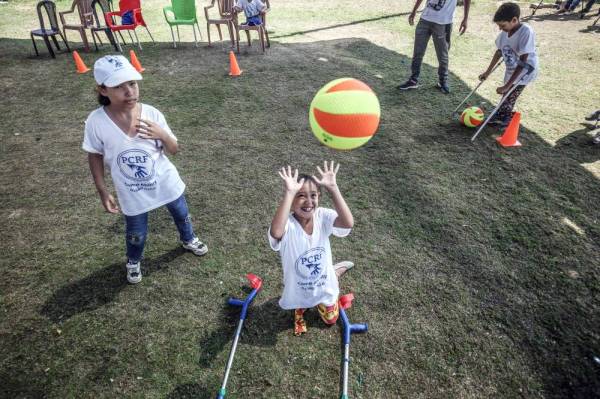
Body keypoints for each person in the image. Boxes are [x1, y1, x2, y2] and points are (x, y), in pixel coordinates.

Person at [82, 55, 208, 284]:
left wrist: (162, 134)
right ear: (102, 90)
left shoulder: (152, 113)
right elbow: (94, 155)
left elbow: (174, 149)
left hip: (166, 182)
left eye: (132, 83)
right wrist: (102, 190)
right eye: (119, 86)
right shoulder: (96, 122)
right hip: (132, 191)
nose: (129, 91)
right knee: (136, 233)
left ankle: (188, 238)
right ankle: (133, 260)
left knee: (182, 214)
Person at [268, 162, 354, 336]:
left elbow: (347, 222)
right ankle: (302, 307)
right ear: (291, 203)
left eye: (313, 195)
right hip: (298, 287)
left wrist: (333, 188)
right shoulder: (288, 225)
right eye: (300, 196)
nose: (308, 201)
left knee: (331, 320)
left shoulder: (322, 216)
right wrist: (289, 192)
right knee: (299, 303)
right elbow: (276, 232)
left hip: (324, 285)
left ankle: (334, 273)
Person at [479, 2, 539, 128]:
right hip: (511, 69)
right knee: (506, 95)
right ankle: (500, 114)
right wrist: (487, 72)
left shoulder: (526, 31)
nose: (500, 28)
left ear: (514, 20)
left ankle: (505, 119)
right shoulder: (504, 33)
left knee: (510, 94)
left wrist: (507, 85)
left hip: (525, 71)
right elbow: (499, 51)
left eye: (502, 25)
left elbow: (523, 61)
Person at [397, 0, 471, 94]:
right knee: (418, 52)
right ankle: (413, 80)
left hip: (443, 23)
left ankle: (442, 82)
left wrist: (465, 18)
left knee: (442, 55)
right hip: (425, 20)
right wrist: (414, 11)